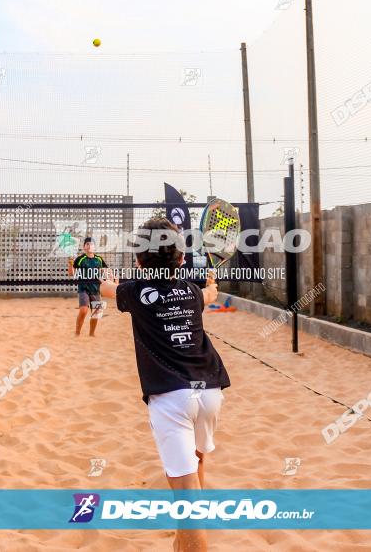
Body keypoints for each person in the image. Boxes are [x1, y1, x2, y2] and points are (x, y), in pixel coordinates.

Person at [99, 217, 229, 552]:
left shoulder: (134, 291)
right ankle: (183, 542)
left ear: (139, 261)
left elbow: (106, 290)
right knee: (197, 466)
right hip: (211, 390)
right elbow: (210, 294)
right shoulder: (190, 290)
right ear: (182, 260)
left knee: (186, 503)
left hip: (173, 397)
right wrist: (213, 286)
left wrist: (107, 280)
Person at [68, 237, 107, 337]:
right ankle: (77, 333)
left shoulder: (99, 259)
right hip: (83, 289)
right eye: (87, 244)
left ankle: (91, 333)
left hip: (95, 290)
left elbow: (105, 272)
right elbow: (71, 273)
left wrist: (107, 279)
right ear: (84, 247)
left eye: (91, 244)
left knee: (97, 311)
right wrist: (70, 263)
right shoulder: (80, 259)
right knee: (83, 310)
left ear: (95, 247)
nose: (89, 246)